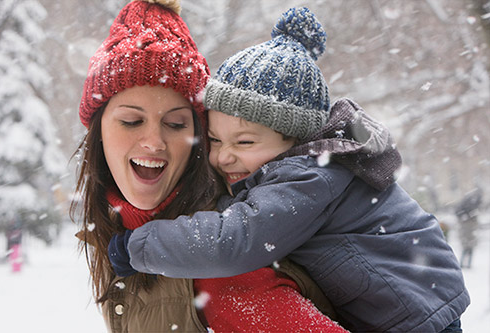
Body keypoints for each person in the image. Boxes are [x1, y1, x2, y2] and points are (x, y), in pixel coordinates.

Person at [110, 6, 470, 333]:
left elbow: (238, 238)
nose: (223, 158)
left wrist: (140, 245)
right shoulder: (297, 172)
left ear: (295, 142)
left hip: (416, 314)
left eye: (245, 142)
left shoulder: (310, 176)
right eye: (216, 141)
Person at [73, 1, 345, 332]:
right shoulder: (119, 232)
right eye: (131, 121)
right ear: (97, 130)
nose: (154, 142)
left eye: (175, 124)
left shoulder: (219, 259)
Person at [455, 187, 483, 269]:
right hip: (468, 227)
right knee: (468, 246)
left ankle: (465, 263)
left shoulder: (467, 204)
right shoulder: (471, 204)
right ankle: (466, 263)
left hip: (467, 227)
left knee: (467, 246)